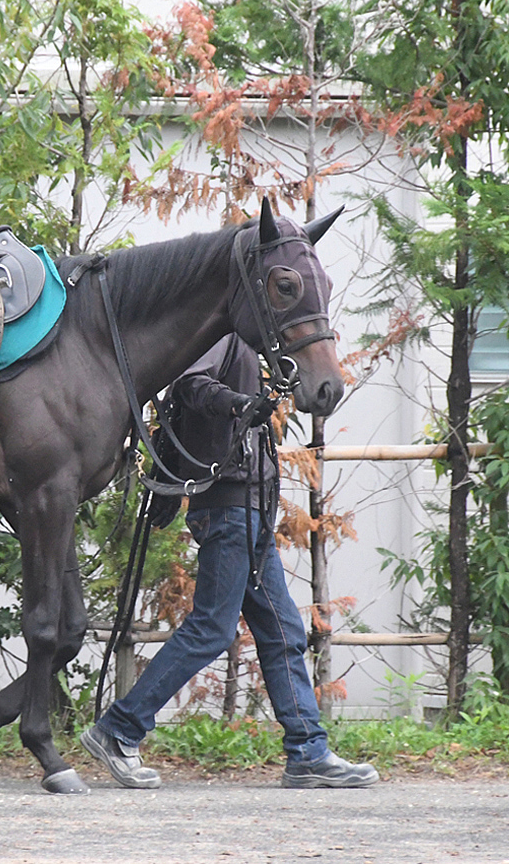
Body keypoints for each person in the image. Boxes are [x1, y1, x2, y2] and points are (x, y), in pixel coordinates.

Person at [80, 334, 379, 789]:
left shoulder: (247, 343)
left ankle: (308, 753)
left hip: (251, 508)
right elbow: (189, 386)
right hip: (228, 509)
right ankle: (118, 728)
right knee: (211, 630)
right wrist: (241, 404)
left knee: (282, 631)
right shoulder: (220, 335)